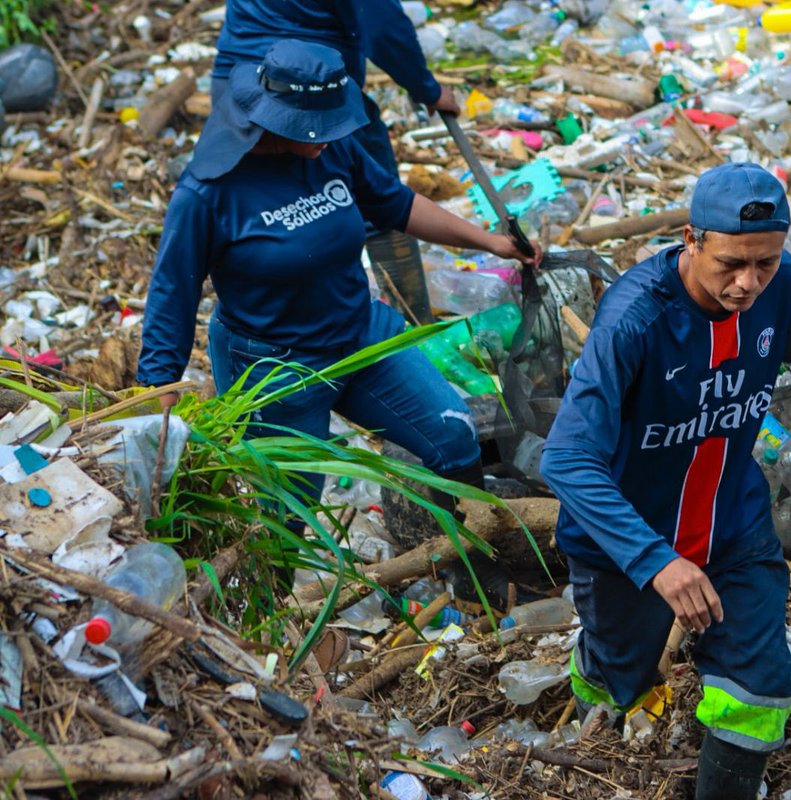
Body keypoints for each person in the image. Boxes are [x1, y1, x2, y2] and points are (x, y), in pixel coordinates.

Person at [539, 163, 791, 799]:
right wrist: (656, 562)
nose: (748, 284)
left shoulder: (778, 285)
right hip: (627, 539)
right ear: (691, 238)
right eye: (731, 265)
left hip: (731, 525)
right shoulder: (635, 321)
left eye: (765, 263)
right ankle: (589, 722)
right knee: (618, 679)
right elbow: (567, 459)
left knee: (759, 687)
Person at [136, 40, 540, 519]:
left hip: (360, 335)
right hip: (275, 370)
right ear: (275, 117)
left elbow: (396, 204)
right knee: (288, 510)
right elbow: (172, 292)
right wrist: (156, 393)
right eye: (316, 127)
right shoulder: (208, 192)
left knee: (453, 436)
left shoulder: (331, 149)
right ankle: (280, 591)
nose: (328, 135)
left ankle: (473, 559)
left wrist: (490, 241)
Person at [213, 0, 460, 321]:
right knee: (380, 208)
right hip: (308, 95)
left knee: (268, 214)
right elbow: (381, 24)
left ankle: (286, 334)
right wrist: (426, 87)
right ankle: (414, 326)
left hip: (237, 85)